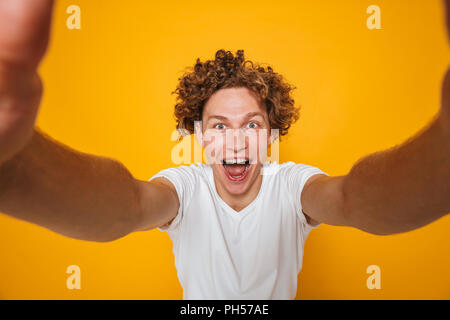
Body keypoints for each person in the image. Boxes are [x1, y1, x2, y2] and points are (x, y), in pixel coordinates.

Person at [0, 0, 449, 299]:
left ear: (271, 135)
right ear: (200, 137)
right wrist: (15, 167)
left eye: (251, 125)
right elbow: (128, 205)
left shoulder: (290, 184)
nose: (235, 141)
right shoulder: (186, 187)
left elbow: (352, 199)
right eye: (219, 126)